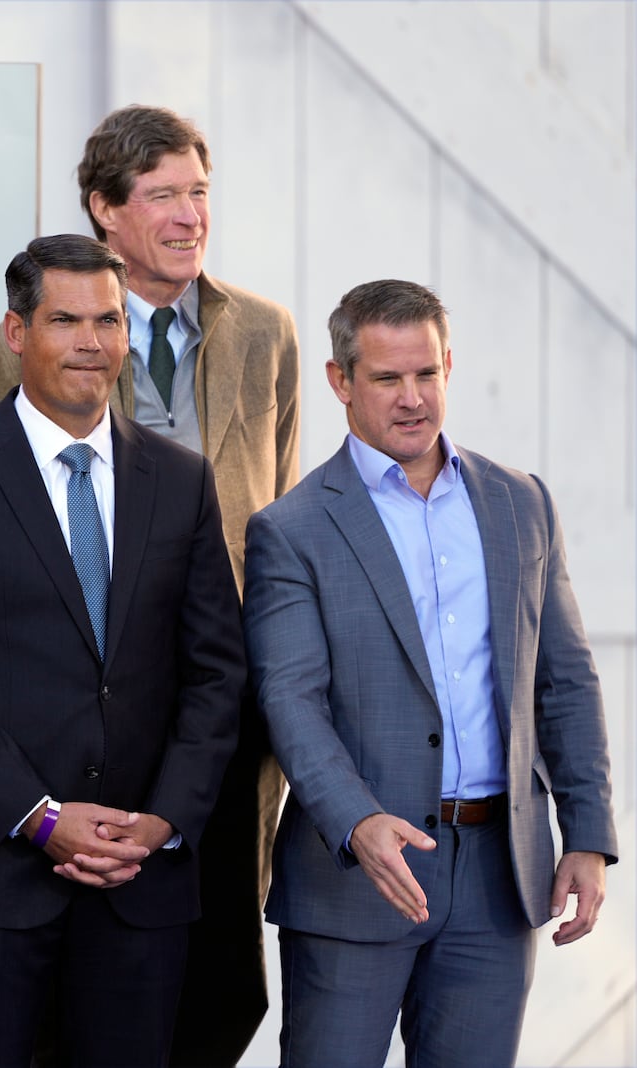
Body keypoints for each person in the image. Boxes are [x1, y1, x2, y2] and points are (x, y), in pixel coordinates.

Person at [0, 105, 300, 1064]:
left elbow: (271, 514)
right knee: (85, 959)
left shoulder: (266, 335)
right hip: (75, 700)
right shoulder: (13, 348)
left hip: (220, 699)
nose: (190, 215)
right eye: (163, 196)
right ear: (104, 211)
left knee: (225, 971)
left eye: (199, 193)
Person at [0, 235, 245, 1067]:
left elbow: (217, 671)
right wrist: (37, 818)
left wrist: (161, 821)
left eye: (109, 321)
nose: (91, 342)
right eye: (65, 319)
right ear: (16, 332)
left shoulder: (182, 480)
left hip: (139, 884)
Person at [243, 279, 617, 1068]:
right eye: (387, 378)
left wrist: (587, 833)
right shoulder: (293, 529)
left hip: (496, 875)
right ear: (341, 382)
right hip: (356, 877)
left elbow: (566, 680)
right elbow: (290, 698)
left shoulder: (520, 503)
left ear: (449, 366)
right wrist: (355, 818)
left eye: (427, 374)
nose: (412, 399)